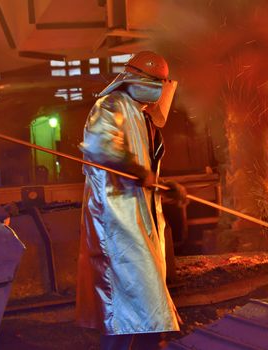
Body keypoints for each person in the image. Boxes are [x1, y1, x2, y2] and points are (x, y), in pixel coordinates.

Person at [76, 51, 187, 350]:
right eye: (157, 82)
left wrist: (166, 186)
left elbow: (145, 169)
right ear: (137, 79)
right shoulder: (110, 106)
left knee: (147, 307)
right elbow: (99, 148)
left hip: (139, 220)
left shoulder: (142, 115)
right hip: (116, 220)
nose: (160, 89)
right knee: (124, 307)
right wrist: (133, 168)